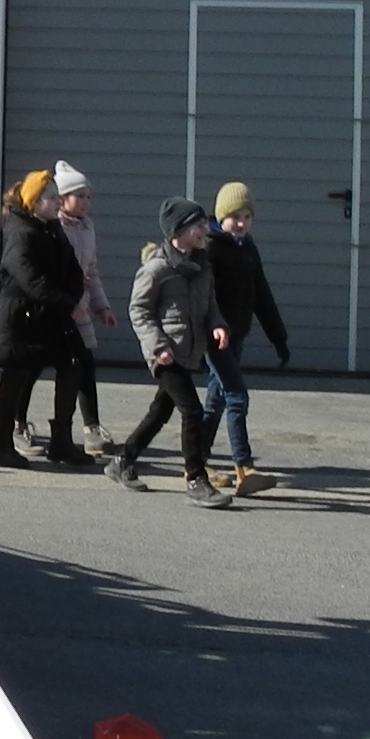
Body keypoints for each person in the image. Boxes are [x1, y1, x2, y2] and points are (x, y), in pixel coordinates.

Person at [111, 201, 232, 503]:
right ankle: (195, 478)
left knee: (159, 412)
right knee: (192, 410)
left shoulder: (203, 267)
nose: (206, 230)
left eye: (206, 223)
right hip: (165, 353)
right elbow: (139, 310)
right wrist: (158, 346)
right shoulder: (157, 269)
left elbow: (211, 304)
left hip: (189, 350)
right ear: (179, 231)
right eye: (199, 225)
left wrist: (217, 325)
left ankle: (121, 462)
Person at [0, 170, 88, 468]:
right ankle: (2, 445)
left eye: (58, 197)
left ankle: (61, 442)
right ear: (34, 202)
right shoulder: (20, 232)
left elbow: (73, 269)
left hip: (52, 317)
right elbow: (30, 279)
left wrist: (71, 296)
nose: (58, 203)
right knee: (15, 378)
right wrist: (67, 304)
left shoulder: (53, 228)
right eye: (52, 198)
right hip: (22, 319)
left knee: (74, 363)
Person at [203, 181, 292, 496]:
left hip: (236, 334)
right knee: (237, 396)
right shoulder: (211, 248)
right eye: (234, 217)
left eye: (247, 217)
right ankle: (244, 467)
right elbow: (201, 296)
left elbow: (262, 295)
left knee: (216, 399)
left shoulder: (248, 248)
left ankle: (196, 460)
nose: (241, 223)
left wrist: (278, 338)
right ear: (221, 216)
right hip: (214, 336)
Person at [51, 163, 115, 461]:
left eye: (88, 196)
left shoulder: (87, 229)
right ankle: (19, 424)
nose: (86, 202)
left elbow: (91, 272)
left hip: (81, 310)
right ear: (61, 199)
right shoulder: (54, 228)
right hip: (56, 310)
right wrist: (65, 304)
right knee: (33, 368)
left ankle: (92, 428)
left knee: (85, 366)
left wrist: (101, 307)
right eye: (79, 196)